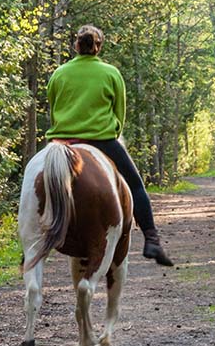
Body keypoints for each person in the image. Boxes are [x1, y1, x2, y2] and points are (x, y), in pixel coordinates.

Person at [46, 24, 173, 266]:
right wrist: (111, 132)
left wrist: (64, 132)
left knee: (35, 183)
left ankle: (29, 244)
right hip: (102, 140)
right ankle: (152, 239)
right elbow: (120, 115)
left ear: (76, 45)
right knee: (135, 185)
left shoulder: (59, 74)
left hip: (62, 140)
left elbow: (54, 110)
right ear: (99, 46)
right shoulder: (111, 73)